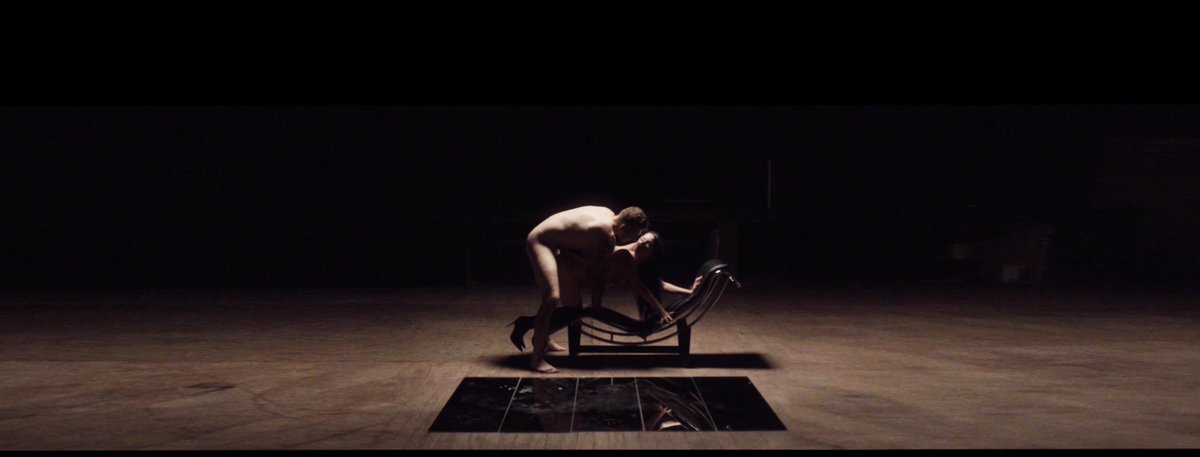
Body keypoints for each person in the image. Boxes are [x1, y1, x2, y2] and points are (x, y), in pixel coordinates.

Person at [509, 230, 704, 352]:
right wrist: (661, 311)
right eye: (642, 239)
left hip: (582, 276)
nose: (642, 244)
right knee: (575, 311)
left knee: (574, 312)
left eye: (648, 244)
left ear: (653, 253)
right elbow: (638, 286)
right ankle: (528, 326)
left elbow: (658, 284)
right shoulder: (626, 255)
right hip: (573, 270)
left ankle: (536, 332)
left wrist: (689, 292)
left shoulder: (638, 261)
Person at [524, 205, 648, 373]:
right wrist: (603, 296)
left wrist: (633, 247)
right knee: (551, 297)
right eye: (635, 234)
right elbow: (599, 271)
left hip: (555, 241)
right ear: (624, 227)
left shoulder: (607, 213)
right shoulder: (606, 233)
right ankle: (536, 359)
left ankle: (545, 340)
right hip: (541, 242)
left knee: (565, 300)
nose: (634, 238)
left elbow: (595, 252)